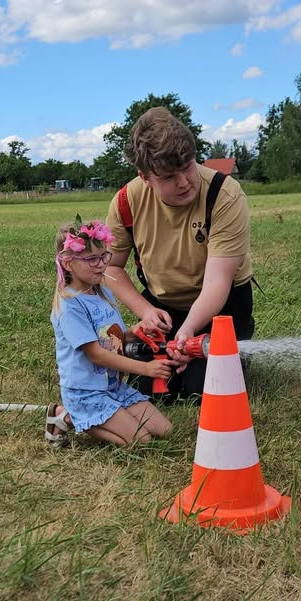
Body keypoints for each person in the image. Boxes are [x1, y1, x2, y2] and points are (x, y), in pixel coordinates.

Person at [105, 106, 254, 398]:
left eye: (187, 166)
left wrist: (187, 333)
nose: (185, 182)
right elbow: (111, 269)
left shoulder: (225, 194)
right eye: (169, 177)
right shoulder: (126, 201)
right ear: (145, 177)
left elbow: (217, 282)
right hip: (162, 306)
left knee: (200, 389)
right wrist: (145, 311)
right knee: (152, 387)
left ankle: (239, 343)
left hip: (222, 306)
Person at [46, 218, 173, 448]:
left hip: (112, 387)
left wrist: (135, 331)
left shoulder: (102, 291)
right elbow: (97, 354)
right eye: (91, 259)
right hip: (87, 392)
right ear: (68, 263)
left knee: (165, 430)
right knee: (141, 441)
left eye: (104, 256)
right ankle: (68, 415)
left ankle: (95, 415)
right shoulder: (70, 305)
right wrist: (146, 369)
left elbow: (111, 339)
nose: (100, 264)